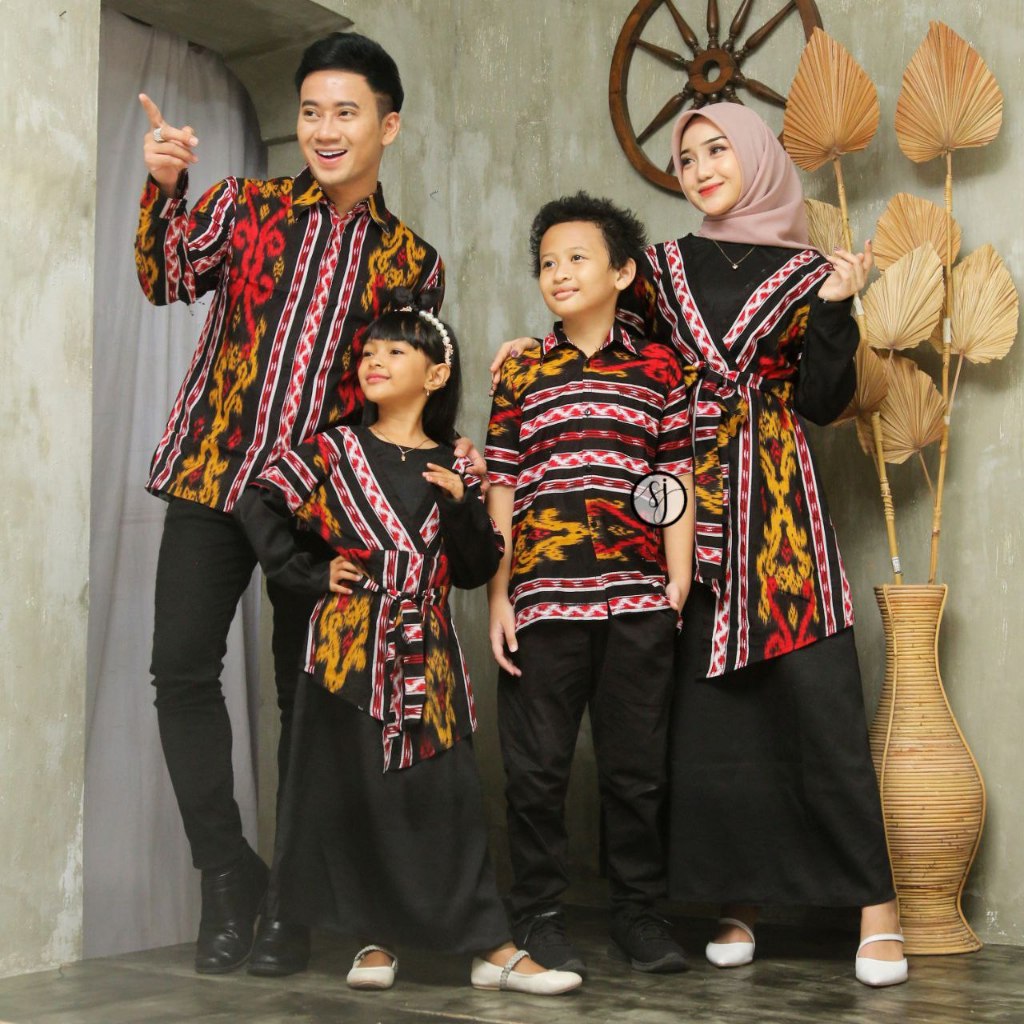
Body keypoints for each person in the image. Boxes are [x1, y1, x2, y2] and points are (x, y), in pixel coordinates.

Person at [488, 105, 907, 990]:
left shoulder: (811, 272)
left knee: (817, 700)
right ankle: (738, 902)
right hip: (675, 513)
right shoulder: (662, 267)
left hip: (776, 502)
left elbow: (823, 400)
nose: (702, 167)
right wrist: (531, 346)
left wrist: (838, 310)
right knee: (712, 714)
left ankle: (879, 911)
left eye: (718, 149)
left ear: (756, 157)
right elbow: (602, 335)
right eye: (686, 158)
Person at [135, 32, 460, 977]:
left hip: (320, 508)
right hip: (212, 475)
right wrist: (164, 186)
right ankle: (226, 874)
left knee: (307, 701)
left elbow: (401, 398)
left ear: (387, 126)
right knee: (180, 671)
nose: (323, 129)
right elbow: (165, 278)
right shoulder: (243, 207)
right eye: (311, 111)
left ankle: (291, 902)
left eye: (345, 112)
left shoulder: (412, 261)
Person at [232, 302, 582, 996]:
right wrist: (305, 573)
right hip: (346, 655)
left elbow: (478, 567)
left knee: (445, 798)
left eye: (396, 352)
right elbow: (258, 500)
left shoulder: (458, 464)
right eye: (370, 351)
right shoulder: (332, 450)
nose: (376, 361)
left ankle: (491, 948)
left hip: (430, 655)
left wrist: (461, 504)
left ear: (436, 374)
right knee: (359, 797)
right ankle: (374, 940)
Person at [485, 193, 696, 979]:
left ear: (622, 272)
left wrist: (678, 580)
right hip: (542, 602)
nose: (560, 272)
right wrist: (499, 596)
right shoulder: (520, 370)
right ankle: (539, 915)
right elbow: (502, 485)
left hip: (638, 600)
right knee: (536, 772)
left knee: (636, 771)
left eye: (577, 257)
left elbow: (674, 476)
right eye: (547, 262)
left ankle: (639, 915)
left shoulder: (660, 368)